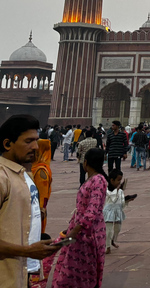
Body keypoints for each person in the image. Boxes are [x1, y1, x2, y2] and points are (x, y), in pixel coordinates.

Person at [0, 116, 61, 286]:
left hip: (20, 273)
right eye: (28, 141)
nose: (35, 147)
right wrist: (27, 251)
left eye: (36, 140)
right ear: (7, 144)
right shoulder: (2, 177)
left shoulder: (24, 175)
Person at [50, 147, 109, 288]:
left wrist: (74, 231)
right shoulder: (94, 179)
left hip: (87, 234)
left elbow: (91, 212)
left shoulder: (98, 180)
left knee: (78, 271)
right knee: (70, 267)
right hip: (82, 230)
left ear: (86, 162)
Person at [104, 169, 132, 254]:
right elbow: (113, 198)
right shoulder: (108, 190)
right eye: (118, 180)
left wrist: (128, 200)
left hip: (117, 211)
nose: (119, 182)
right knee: (108, 230)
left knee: (117, 229)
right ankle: (107, 246)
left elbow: (121, 202)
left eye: (120, 180)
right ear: (112, 180)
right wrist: (118, 189)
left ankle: (112, 240)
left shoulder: (120, 191)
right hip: (109, 212)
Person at [31, 138, 53, 233]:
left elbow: (43, 195)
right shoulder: (36, 166)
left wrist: (40, 211)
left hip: (37, 212)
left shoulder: (41, 171)